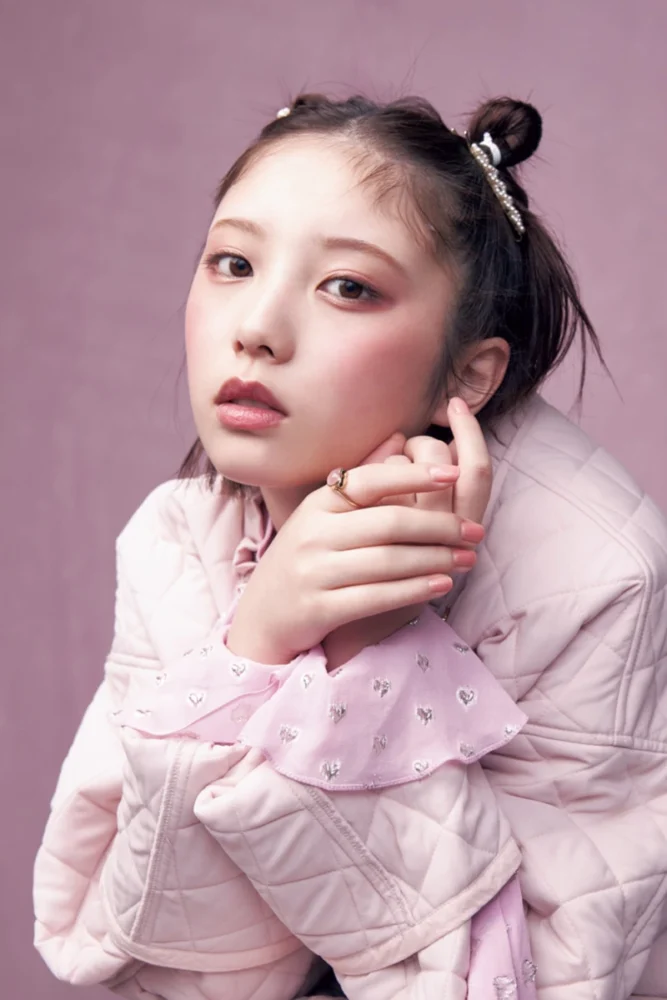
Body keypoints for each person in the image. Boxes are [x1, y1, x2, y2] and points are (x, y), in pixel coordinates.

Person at [32, 91, 667, 1000]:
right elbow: (137, 964)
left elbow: (523, 985)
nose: (256, 328)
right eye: (233, 263)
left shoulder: (595, 575)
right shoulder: (180, 540)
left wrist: (371, 655)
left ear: (467, 375)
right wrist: (257, 642)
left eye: (347, 287)